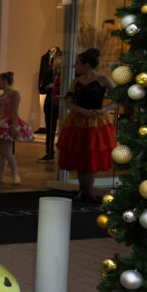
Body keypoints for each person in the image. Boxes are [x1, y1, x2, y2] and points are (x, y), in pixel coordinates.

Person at [57, 47, 116, 203]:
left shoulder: (104, 80)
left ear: (87, 65)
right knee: (80, 153)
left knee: (92, 154)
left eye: (77, 63)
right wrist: (82, 110)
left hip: (96, 121)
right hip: (78, 120)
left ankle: (87, 190)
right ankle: (83, 190)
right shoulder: (76, 81)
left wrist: (104, 109)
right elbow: (68, 103)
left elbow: (120, 98)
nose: (74, 66)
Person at [0, 71, 33, 184]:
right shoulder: (2, 95)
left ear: (5, 81)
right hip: (2, 123)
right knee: (1, 151)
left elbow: (15, 111)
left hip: (10, 123)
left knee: (6, 151)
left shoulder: (14, 94)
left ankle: (15, 174)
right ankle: (0, 176)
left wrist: (13, 126)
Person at [37, 47, 62, 162]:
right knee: (50, 130)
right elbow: (41, 90)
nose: (57, 70)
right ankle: (49, 152)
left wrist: (57, 87)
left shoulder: (67, 75)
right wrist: (48, 87)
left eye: (59, 67)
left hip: (62, 105)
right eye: (56, 67)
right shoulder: (49, 74)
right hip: (50, 104)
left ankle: (63, 153)